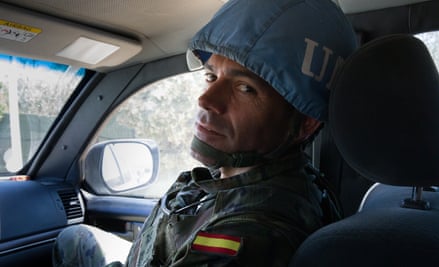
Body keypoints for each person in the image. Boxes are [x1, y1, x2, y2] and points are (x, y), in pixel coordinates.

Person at [53, 0, 357, 266]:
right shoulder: (272, 180)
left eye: (244, 88)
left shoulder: (249, 233)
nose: (206, 99)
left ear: (305, 124)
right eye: (211, 76)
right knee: (76, 236)